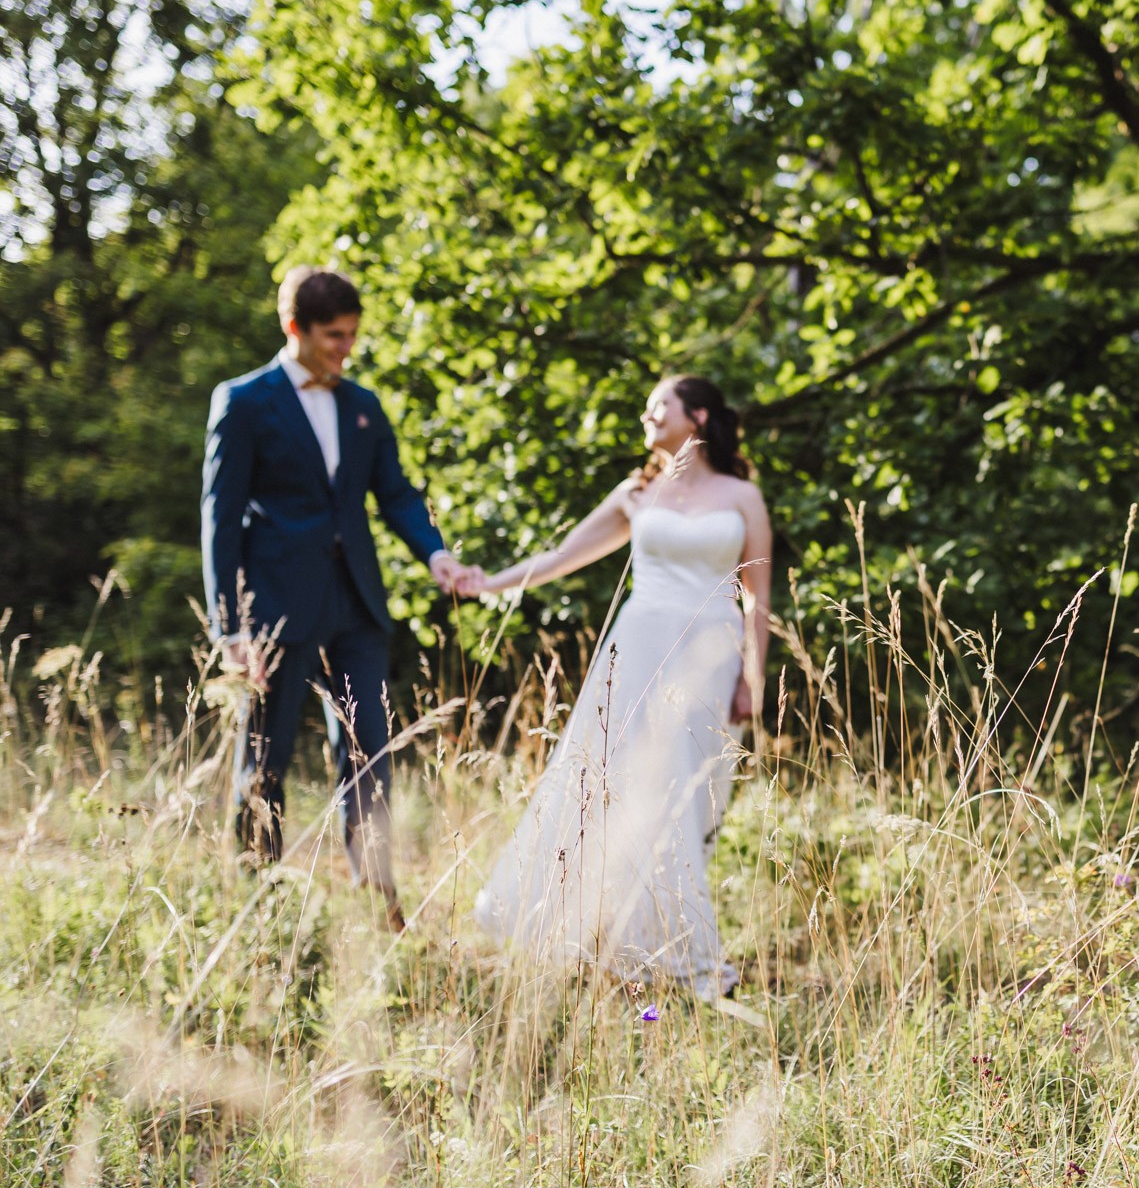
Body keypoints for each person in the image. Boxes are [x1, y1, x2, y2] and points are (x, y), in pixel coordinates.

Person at [469, 374, 772, 1001]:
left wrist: (752, 677)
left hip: (711, 654)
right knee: (610, 783)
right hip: (637, 650)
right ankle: (612, 938)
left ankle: (670, 943)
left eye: (658, 405)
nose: (647, 415)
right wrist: (488, 583)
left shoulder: (743, 496)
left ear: (699, 415)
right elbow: (560, 557)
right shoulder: (638, 491)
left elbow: (758, 598)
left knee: (683, 793)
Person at [201, 267, 481, 930]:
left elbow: (397, 495)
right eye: (333, 336)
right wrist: (230, 628)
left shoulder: (364, 404)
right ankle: (257, 892)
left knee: (370, 748)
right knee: (265, 756)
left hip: (355, 604)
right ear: (293, 328)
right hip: (274, 607)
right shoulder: (242, 401)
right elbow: (221, 513)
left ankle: (376, 894)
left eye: (352, 335)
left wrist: (436, 553)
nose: (345, 349)